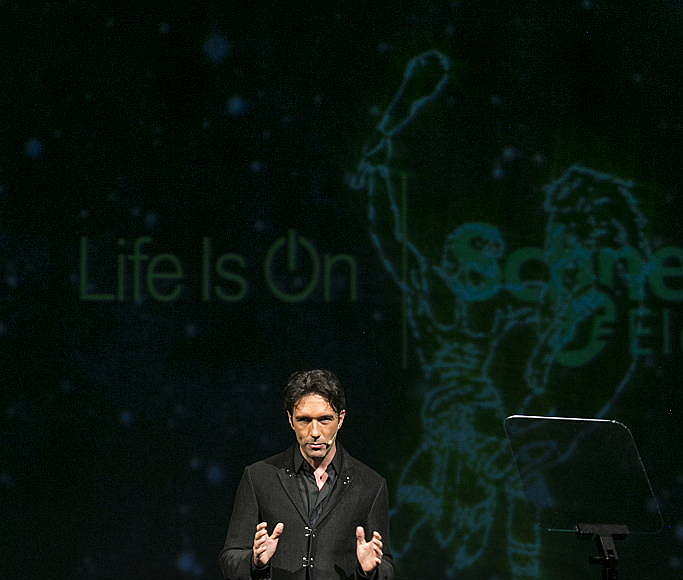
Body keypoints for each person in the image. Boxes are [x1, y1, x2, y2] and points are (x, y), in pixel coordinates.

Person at [218, 369, 394, 580]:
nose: (315, 432)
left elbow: (386, 567)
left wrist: (369, 571)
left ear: (341, 419)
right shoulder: (259, 477)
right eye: (304, 420)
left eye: (325, 419)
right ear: (291, 420)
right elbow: (230, 559)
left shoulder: (370, 485)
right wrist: (255, 562)